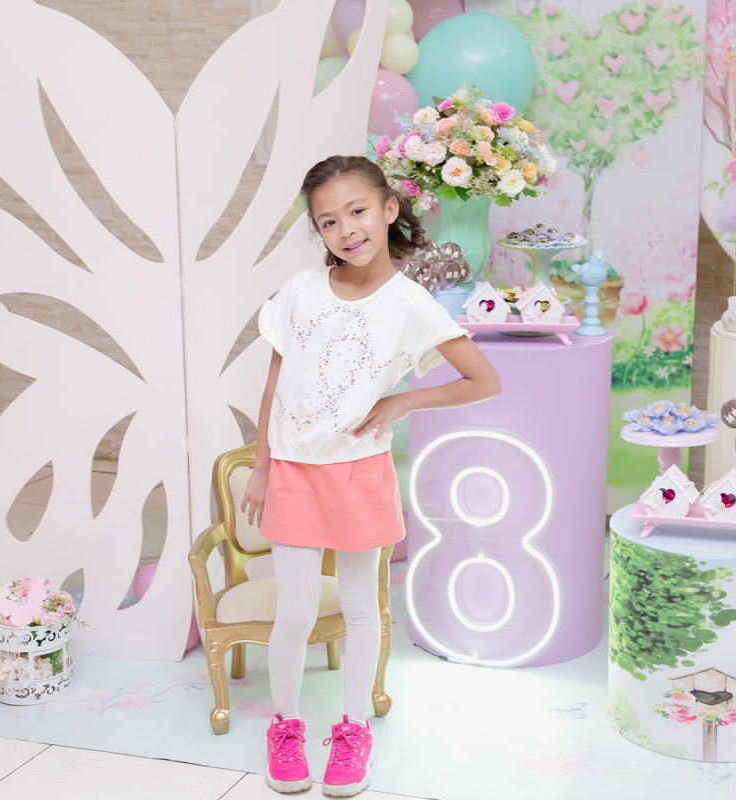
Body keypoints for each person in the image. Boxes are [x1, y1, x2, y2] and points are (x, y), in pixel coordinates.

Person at [242, 155, 501, 797]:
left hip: (359, 472)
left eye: (357, 211)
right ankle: (285, 728)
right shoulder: (300, 291)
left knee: (362, 608)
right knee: (296, 612)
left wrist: (404, 400)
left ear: (388, 209)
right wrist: (262, 467)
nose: (346, 229)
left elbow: (483, 380)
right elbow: (274, 385)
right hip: (295, 471)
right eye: (328, 221)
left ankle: (354, 731)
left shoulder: (412, 305)